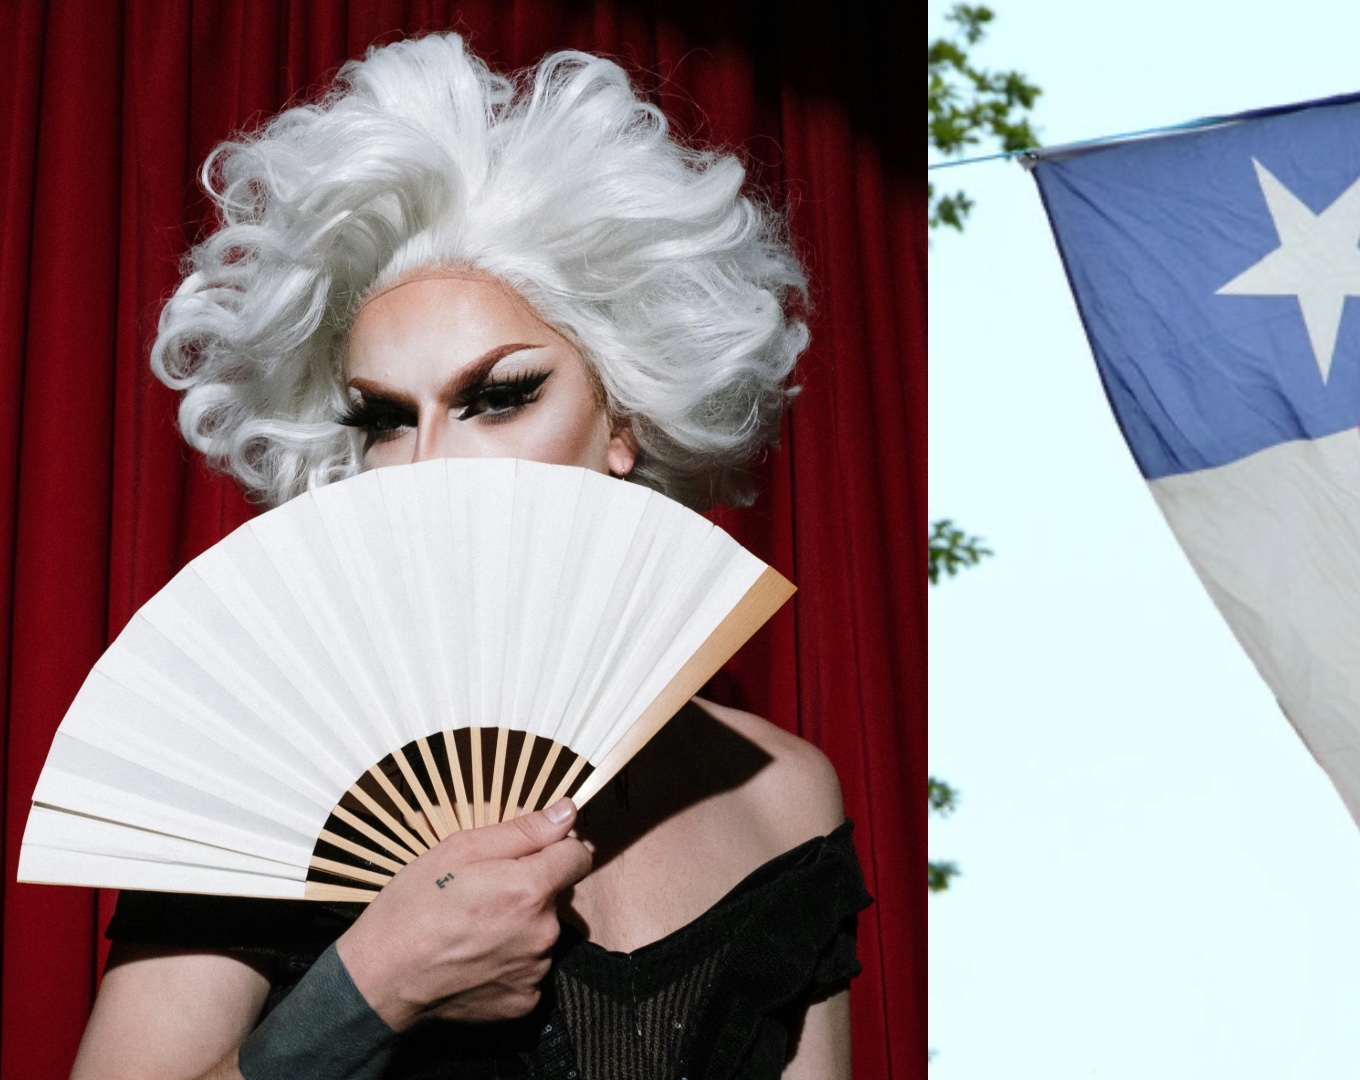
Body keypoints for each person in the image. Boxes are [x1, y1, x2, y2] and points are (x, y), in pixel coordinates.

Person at [68, 32, 866, 1080]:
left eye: (498, 397)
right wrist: (372, 991)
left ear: (624, 416)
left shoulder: (782, 794)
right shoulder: (271, 766)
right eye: (387, 418)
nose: (431, 464)